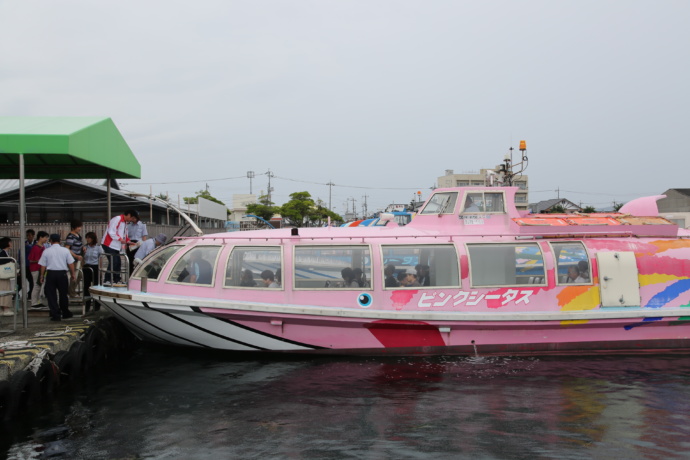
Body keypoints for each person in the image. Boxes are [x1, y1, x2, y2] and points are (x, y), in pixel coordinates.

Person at [39, 234, 76, 321]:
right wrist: (73, 274)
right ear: (60, 241)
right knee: (63, 294)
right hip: (62, 274)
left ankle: (55, 314)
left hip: (51, 274)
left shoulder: (46, 251)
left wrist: (41, 275)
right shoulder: (65, 250)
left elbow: (43, 265)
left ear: (50, 241)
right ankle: (65, 312)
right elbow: (71, 263)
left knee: (51, 295)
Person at [101, 209, 139, 284]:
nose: (132, 220)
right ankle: (107, 279)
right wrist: (120, 239)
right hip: (108, 244)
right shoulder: (117, 219)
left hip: (116, 245)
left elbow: (125, 235)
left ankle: (117, 279)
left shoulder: (125, 223)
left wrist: (128, 241)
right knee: (113, 261)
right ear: (128, 215)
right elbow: (111, 232)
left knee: (118, 262)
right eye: (132, 218)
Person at [83, 232, 104, 311]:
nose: (88, 240)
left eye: (89, 238)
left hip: (95, 266)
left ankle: (96, 305)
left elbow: (101, 258)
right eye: (87, 238)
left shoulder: (98, 247)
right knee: (86, 286)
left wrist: (101, 270)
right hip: (87, 266)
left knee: (96, 285)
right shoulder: (85, 247)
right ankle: (87, 305)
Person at [28, 231, 49, 307]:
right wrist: (40, 260)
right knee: (37, 285)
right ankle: (34, 302)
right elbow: (30, 259)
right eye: (45, 237)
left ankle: (38, 301)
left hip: (41, 269)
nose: (46, 239)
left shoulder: (43, 247)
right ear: (40, 237)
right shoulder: (35, 248)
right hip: (36, 269)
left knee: (40, 285)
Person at [65, 220, 84, 297]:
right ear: (73, 227)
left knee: (79, 275)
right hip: (73, 259)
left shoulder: (78, 236)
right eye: (78, 227)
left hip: (78, 258)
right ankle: (71, 292)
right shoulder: (70, 236)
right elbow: (67, 248)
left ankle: (71, 290)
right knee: (76, 275)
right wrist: (75, 255)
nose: (79, 228)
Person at [0, 237, 14, 316]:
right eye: (10, 242)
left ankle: (3, 308)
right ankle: (5, 308)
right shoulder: (3, 253)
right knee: (5, 291)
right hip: (3, 276)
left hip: (5, 276)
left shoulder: (5, 253)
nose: (11, 244)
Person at [24, 229, 36, 301]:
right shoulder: (25, 243)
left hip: (32, 265)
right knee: (21, 280)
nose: (28, 237)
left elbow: (34, 250)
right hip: (25, 264)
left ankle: (30, 295)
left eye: (30, 236)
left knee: (32, 281)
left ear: (33, 236)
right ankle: (15, 294)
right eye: (27, 236)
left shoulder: (36, 243)